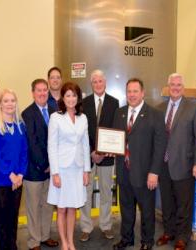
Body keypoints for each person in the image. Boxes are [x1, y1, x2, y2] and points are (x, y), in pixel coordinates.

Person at [112, 78, 166, 250]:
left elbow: (160, 146)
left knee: (147, 210)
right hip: (123, 170)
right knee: (126, 208)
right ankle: (126, 238)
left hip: (145, 173)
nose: (132, 94)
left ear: (142, 93)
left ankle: (147, 241)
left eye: (135, 91)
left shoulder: (155, 114)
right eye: (129, 91)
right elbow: (116, 140)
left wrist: (154, 172)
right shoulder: (119, 113)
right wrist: (108, 148)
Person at [156, 73, 196, 250]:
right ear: (168, 86)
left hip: (185, 165)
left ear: (183, 87)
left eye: (178, 85)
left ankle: (182, 237)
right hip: (163, 165)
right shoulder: (160, 108)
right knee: (167, 202)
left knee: (183, 204)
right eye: (172, 84)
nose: (175, 87)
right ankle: (169, 232)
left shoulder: (194, 108)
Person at [47, 82, 91, 250]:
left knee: (73, 207)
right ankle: (63, 243)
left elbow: (85, 145)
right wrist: (55, 173)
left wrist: (86, 170)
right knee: (62, 208)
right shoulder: (55, 117)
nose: (71, 99)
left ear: (78, 98)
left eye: (74, 95)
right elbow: (52, 146)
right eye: (67, 95)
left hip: (77, 168)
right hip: (62, 169)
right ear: (62, 98)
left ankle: (71, 241)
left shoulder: (83, 118)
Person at [80, 69, 119, 242]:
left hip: (107, 157)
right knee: (86, 193)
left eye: (100, 81)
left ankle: (106, 225)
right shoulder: (84, 102)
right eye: (94, 81)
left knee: (105, 192)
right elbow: (81, 131)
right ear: (91, 84)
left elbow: (114, 129)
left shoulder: (114, 102)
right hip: (87, 156)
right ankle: (86, 227)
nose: (97, 84)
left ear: (105, 83)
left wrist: (102, 152)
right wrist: (91, 151)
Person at [0, 89, 28, 250]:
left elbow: (24, 152)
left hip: (17, 180)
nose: (10, 104)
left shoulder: (20, 125)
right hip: (0, 181)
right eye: (6, 101)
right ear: (1, 104)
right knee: (2, 220)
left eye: (13, 100)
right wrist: (10, 174)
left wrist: (20, 174)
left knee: (13, 219)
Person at [22, 79, 59, 250]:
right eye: (39, 90)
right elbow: (32, 142)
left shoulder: (54, 110)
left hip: (51, 170)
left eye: (45, 90)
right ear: (32, 92)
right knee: (34, 207)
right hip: (34, 170)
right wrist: (46, 164)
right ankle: (34, 241)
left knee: (47, 205)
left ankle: (45, 236)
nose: (43, 93)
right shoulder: (27, 114)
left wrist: (54, 164)